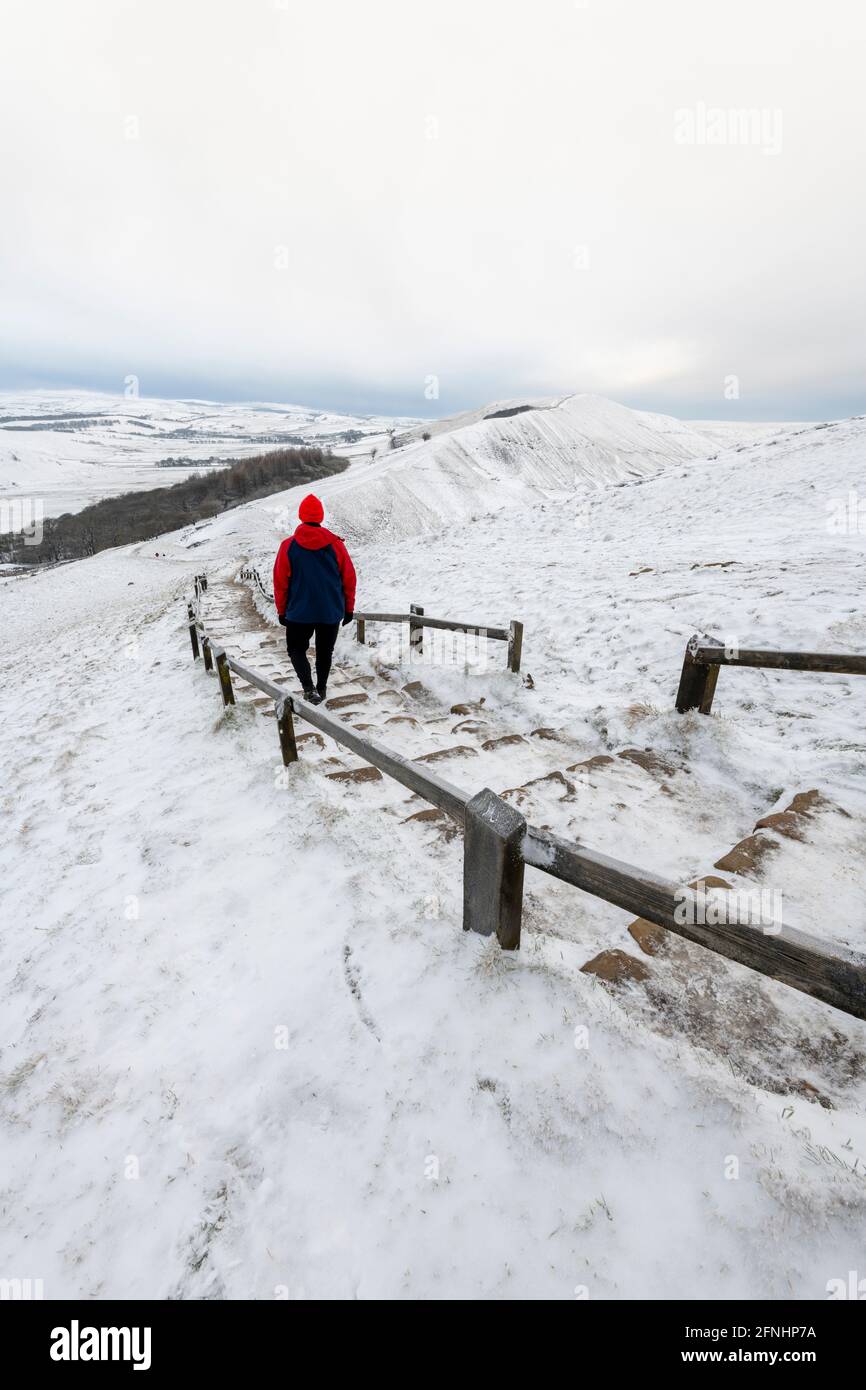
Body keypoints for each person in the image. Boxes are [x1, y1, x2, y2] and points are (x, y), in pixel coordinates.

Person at [272, 494, 356, 704]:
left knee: (296, 649)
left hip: (299, 612)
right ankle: (322, 688)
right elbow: (349, 578)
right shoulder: (336, 545)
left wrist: (282, 610)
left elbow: (280, 582)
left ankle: (309, 689)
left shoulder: (288, 546)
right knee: (325, 652)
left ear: (301, 516)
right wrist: (348, 609)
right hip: (330, 611)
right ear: (320, 516)